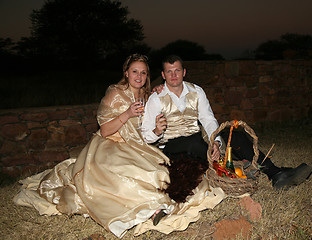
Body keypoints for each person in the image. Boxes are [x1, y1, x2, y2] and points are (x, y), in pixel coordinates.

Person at [13, 54, 225, 239]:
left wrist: (159, 95)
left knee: (160, 172)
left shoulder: (147, 93)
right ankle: (147, 210)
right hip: (111, 145)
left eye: (143, 73)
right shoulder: (115, 93)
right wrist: (128, 114)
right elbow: (105, 130)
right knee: (128, 177)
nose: (139, 77)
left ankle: (158, 205)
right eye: (135, 72)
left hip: (137, 145)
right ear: (126, 72)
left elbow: (149, 125)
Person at [141, 55, 312, 190]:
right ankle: (228, 168)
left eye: (177, 70)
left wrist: (215, 142)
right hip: (172, 146)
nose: (173, 75)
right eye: (169, 72)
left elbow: (208, 119)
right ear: (163, 75)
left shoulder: (196, 91)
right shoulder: (156, 98)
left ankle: (276, 174)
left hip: (197, 140)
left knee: (233, 135)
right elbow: (146, 136)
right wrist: (156, 131)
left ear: (184, 71)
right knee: (194, 143)